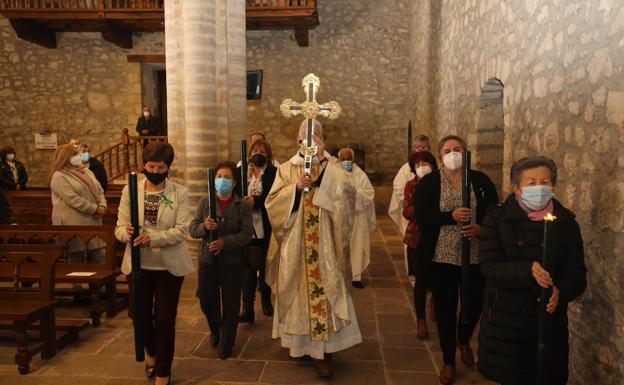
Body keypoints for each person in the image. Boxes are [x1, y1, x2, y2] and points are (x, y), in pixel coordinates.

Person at [265, 119, 362, 378]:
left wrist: (324, 165)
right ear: (297, 141)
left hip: (325, 245)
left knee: (325, 289)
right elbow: (272, 203)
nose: (309, 141)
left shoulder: (334, 168)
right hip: (296, 244)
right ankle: (300, 345)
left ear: (323, 140)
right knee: (297, 291)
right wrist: (295, 191)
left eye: (316, 137)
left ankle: (322, 352)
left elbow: (350, 196)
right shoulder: (286, 169)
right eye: (305, 137)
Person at [477, 156, 587, 385]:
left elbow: (576, 272)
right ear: (516, 188)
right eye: (531, 183)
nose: (540, 188)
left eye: (545, 182)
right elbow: (489, 267)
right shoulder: (497, 219)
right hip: (507, 323)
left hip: (547, 322)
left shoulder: (566, 222)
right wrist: (527, 270)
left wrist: (560, 291)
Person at [414, 135, 498, 385]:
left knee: (473, 305)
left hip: (473, 256)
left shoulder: (480, 180)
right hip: (441, 256)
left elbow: (494, 211)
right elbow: (422, 216)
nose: (452, 153)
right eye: (448, 150)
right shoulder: (430, 183)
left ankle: (464, 338)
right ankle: (449, 360)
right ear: (440, 156)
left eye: (457, 149)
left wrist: (480, 228)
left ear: (465, 152)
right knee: (446, 309)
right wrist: (449, 216)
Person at [115, 142, 194, 385]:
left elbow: (182, 230)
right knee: (138, 315)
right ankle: (150, 351)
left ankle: (163, 371)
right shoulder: (131, 191)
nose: (156, 171)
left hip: (168, 267)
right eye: (151, 166)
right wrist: (125, 232)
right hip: (138, 264)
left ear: (168, 167)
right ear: (144, 166)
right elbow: (118, 228)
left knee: (164, 319)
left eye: (161, 167)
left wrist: (154, 238)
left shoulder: (179, 193)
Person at [190, 161, 253, 359]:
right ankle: (215, 328)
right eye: (219, 177)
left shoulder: (242, 205)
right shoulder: (205, 203)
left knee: (231, 303)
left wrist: (225, 242)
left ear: (234, 183)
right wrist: (204, 227)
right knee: (207, 299)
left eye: (227, 178)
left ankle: (227, 342)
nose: (222, 181)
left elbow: (246, 234)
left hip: (232, 262)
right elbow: (192, 229)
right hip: (208, 260)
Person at [238, 139, 278, 323]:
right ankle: (247, 307)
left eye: (262, 151)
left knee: (264, 264)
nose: (258, 153)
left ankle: (266, 300)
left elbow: (275, 197)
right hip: (246, 227)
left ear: (268, 155)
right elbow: (235, 194)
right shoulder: (241, 173)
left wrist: (256, 201)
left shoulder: (272, 173)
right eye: (255, 150)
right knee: (246, 267)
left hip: (265, 225)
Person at [49, 144, 107, 263]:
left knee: (101, 257)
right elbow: (73, 199)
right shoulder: (59, 176)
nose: (78, 156)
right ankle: (76, 282)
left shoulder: (86, 171)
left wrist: (103, 205)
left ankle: (99, 282)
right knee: (75, 260)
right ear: (65, 157)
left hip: (93, 221)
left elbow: (99, 189)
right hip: (73, 223)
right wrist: (95, 209)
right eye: (74, 154)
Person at [402, 149, 437, 339]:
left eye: (425, 164)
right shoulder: (411, 185)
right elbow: (406, 211)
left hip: (439, 235)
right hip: (417, 237)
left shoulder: (442, 183)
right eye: (418, 165)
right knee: (420, 280)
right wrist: (422, 209)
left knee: (438, 276)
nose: (422, 167)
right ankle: (421, 320)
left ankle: (434, 302)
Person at [388, 135, 431, 285]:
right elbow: (399, 187)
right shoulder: (406, 168)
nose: (422, 150)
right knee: (411, 245)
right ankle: (413, 276)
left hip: (430, 216)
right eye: (419, 147)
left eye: (425, 147)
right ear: (413, 149)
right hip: (412, 215)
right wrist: (411, 202)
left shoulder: (433, 166)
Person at [338, 147, 376, 289]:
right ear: (339, 160)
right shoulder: (334, 173)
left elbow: (369, 193)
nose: (346, 161)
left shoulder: (360, 175)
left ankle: (356, 277)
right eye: (343, 159)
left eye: (349, 159)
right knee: (340, 246)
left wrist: (354, 195)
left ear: (353, 159)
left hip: (357, 217)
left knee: (357, 246)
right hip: (340, 217)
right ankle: (340, 275)